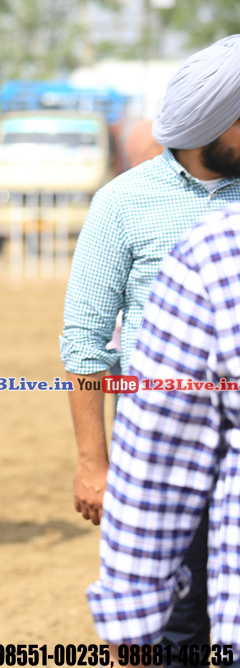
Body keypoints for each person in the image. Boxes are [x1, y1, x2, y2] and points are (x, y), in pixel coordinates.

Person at [62, 34, 240, 647]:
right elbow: (86, 345)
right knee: (173, 631)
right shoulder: (123, 203)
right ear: (213, 124)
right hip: (163, 459)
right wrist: (94, 463)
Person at [87, 203, 240, 645]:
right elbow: (87, 335)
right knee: (182, 625)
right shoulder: (129, 205)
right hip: (172, 411)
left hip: (176, 426)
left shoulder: (219, 243)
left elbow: (160, 458)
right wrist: (92, 460)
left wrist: (130, 624)